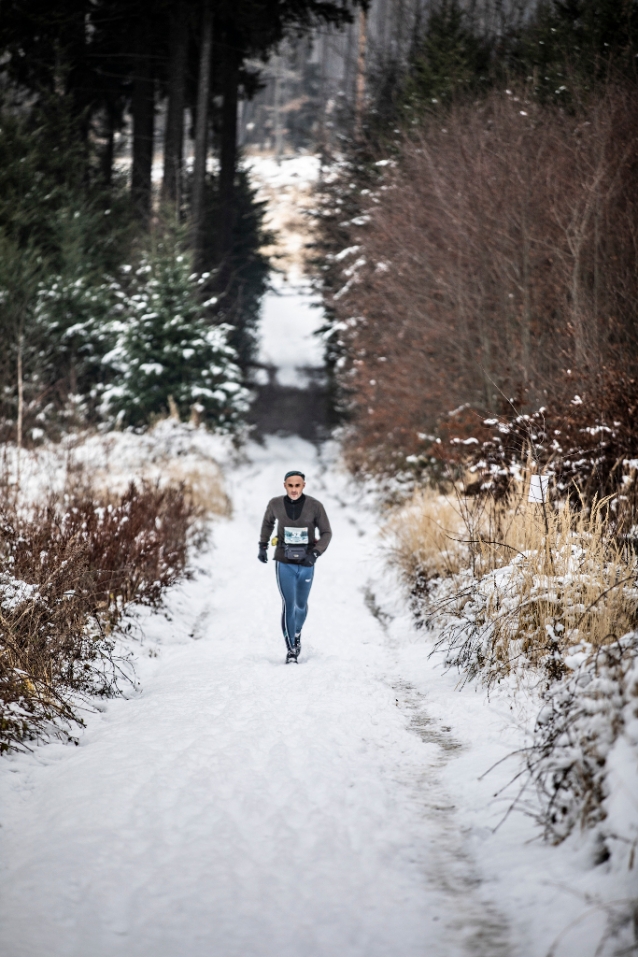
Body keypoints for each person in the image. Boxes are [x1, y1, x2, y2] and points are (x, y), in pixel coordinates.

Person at [258, 470, 332, 663]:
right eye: (290, 485)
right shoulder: (275, 504)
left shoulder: (315, 506)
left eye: (297, 485)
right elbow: (267, 524)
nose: (293, 489)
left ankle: (297, 632)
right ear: (284, 485)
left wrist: (315, 553)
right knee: (289, 604)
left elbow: (326, 532)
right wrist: (262, 546)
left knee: (301, 605)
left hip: (307, 561)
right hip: (284, 561)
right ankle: (291, 649)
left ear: (303, 486)